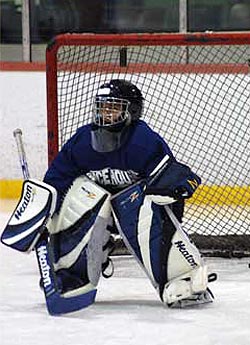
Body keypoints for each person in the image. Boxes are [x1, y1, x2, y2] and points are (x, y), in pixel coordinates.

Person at [43, 79, 215, 309]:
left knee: (146, 203)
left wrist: (171, 227)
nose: (105, 113)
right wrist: (45, 213)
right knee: (78, 194)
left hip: (135, 213)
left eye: (113, 107)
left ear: (131, 111)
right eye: (102, 107)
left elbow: (167, 185)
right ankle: (72, 275)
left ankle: (180, 277)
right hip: (97, 212)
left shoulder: (143, 142)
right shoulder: (83, 141)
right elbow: (56, 181)